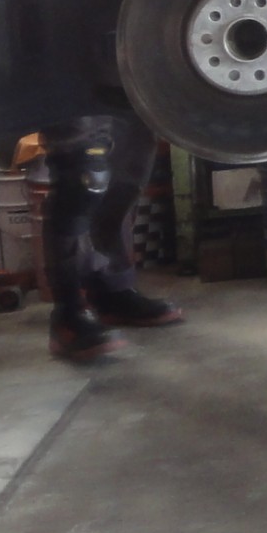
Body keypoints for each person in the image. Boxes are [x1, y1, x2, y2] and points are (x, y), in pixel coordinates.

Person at [35, 114, 182, 361]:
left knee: (128, 168)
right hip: (70, 89)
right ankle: (69, 314)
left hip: (129, 88)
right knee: (84, 174)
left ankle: (111, 293)